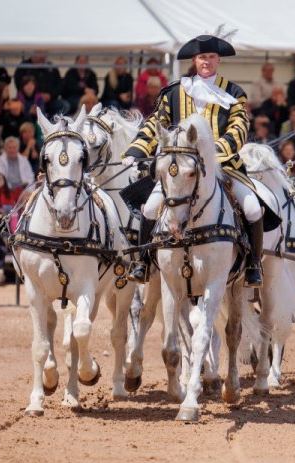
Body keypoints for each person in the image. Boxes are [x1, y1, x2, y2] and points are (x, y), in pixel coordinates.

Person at [122, 35, 266, 287]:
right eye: (202, 57)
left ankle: (253, 265)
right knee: (149, 207)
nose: (207, 62)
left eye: (211, 57)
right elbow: (156, 125)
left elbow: (239, 130)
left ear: (218, 59)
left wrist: (212, 155)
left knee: (253, 208)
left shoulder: (234, 93)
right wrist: (134, 151)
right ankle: (142, 262)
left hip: (223, 167)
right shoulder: (174, 92)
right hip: (180, 171)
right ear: (195, 60)